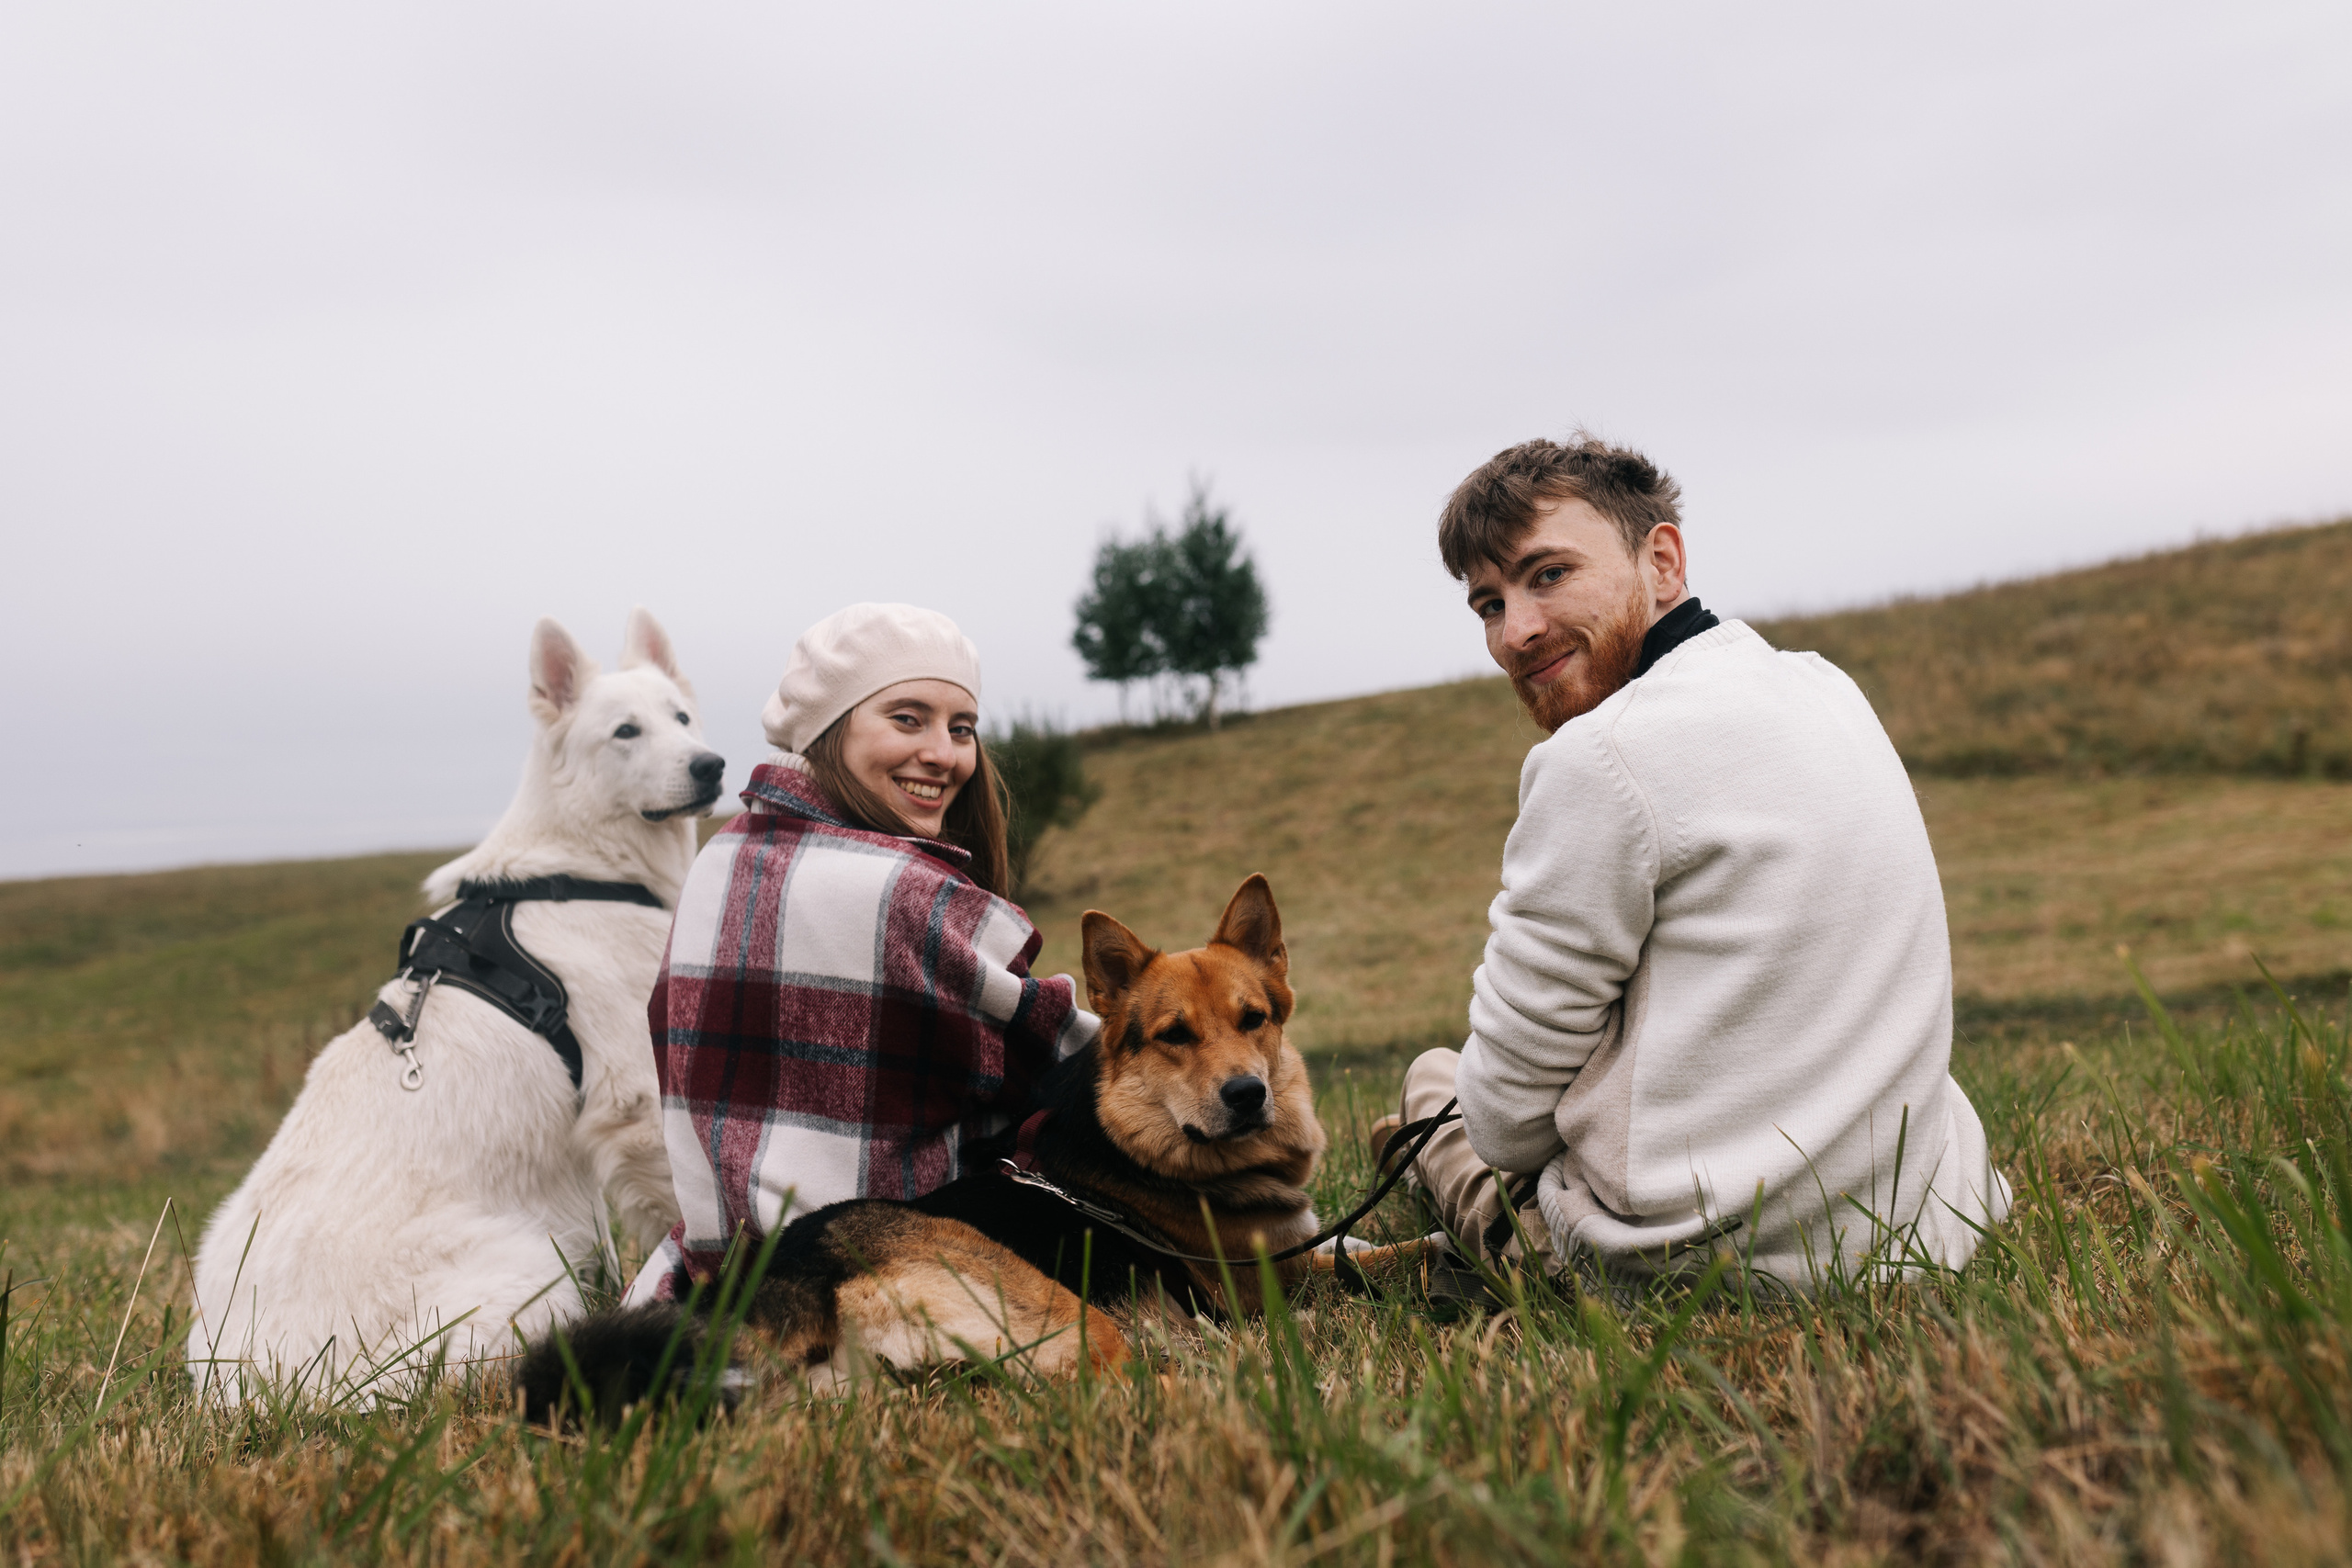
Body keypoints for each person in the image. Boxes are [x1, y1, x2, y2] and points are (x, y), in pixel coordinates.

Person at [1379, 434, 2010, 1294]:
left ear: (1663, 560)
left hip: (1709, 1265)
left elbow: (1505, 1124)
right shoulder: (1829, 689)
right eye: (1488, 604)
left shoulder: (1598, 760)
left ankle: (1421, 1162)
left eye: (1548, 574)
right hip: (1925, 1221)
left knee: (1437, 1084)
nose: (1517, 632)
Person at [626, 603, 1096, 1303]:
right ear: (831, 730)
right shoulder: (913, 896)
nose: (944, 753)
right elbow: (1083, 1067)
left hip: (713, 1282)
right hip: (892, 1282)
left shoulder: (719, 861)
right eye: (908, 718)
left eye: (961, 727)